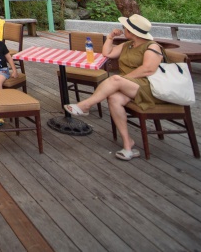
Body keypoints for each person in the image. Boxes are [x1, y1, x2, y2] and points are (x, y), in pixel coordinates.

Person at [65, 14, 166, 161]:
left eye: (125, 27)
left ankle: (85, 105)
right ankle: (128, 144)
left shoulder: (152, 46)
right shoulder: (127, 45)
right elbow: (107, 53)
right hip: (128, 85)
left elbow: (148, 69)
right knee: (113, 98)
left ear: (131, 31)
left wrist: (123, 80)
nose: (123, 29)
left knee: (115, 79)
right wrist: (110, 37)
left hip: (147, 87)